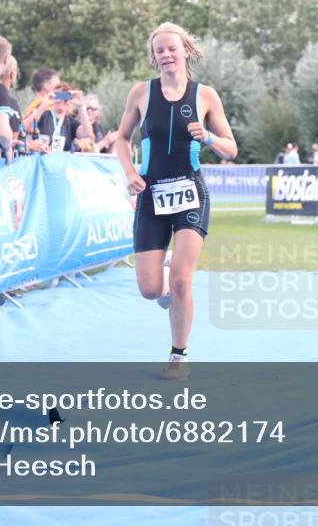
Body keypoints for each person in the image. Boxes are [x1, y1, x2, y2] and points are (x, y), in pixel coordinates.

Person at [115, 22, 237, 380]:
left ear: (186, 50)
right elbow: (121, 138)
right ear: (154, 57)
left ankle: (179, 354)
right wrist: (130, 173)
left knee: (184, 280)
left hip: (190, 194)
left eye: (172, 48)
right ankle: (166, 280)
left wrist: (210, 137)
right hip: (151, 195)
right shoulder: (141, 93)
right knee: (151, 289)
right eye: (160, 51)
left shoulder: (205, 96)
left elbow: (231, 149)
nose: (166, 55)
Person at [36, 83, 93, 152]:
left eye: (65, 97)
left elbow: (88, 135)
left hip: (63, 161)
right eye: (59, 95)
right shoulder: (43, 115)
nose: (61, 100)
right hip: (42, 160)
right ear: (53, 96)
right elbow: (26, 128)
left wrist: (81, 107)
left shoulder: (71, 123)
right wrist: (44, 104)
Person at [21, 67, 60, 132]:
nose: (60, 88)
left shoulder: (37, 104)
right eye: (57, 85)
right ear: (46, 86)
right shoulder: (41, 105)